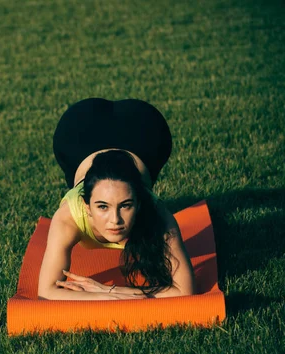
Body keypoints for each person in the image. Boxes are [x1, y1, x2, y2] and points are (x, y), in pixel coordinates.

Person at [38, 98, 195, 301]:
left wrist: (106, 291)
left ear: (139, 203)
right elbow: (46, 292)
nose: (115, 220)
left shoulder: (156, 213)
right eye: (102, 206)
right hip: (80, 129)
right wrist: (122, 295)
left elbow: (185, 292)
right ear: (86, 206)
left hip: (141, 127)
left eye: (126, 205)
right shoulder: (68, 217)